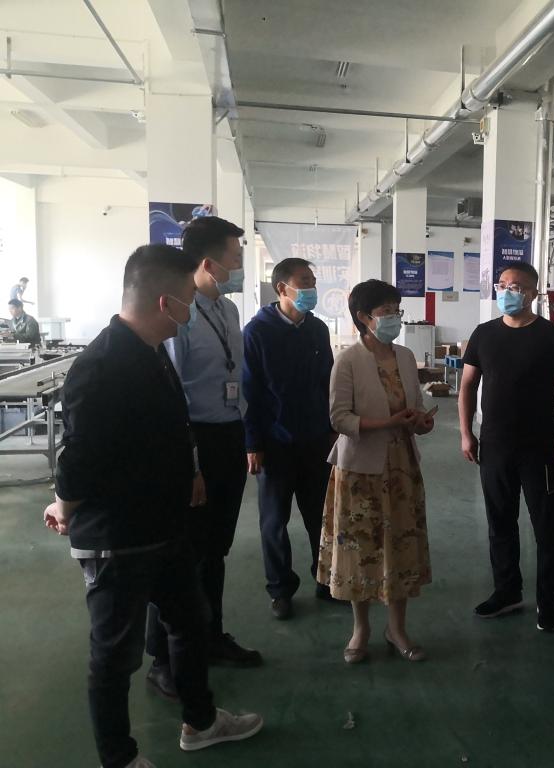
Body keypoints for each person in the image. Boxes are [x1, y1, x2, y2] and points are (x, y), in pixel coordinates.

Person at [43, 244, 262, 768]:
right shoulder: (100, 366)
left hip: (165, 526)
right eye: (189, 297)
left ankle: (200, 722)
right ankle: (119, 758)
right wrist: (65, 505)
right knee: (114, 655)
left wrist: (190, 473)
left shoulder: (150, 351)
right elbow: (79, 458)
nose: (194, 307)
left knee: (189, 622)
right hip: (118, 537)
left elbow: (172, 427)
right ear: (166, 302)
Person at [145, 217, 261, 701]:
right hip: (195, 441)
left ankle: (209, 636)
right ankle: (163, 660)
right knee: (182, 555)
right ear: (210, 264)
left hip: (229, 435)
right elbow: (171, 394)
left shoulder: (228, 310)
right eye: (236, 257)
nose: (240, 265)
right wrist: (191, 464)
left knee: (215, 550)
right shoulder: (181, 314)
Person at [317, 279, 435, 663]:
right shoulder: (348, 361)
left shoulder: (405, 357)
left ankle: (396, 628)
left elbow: (416, 408)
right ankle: (361, 629)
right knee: (360, 548)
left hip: (402, 467)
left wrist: (421, 422)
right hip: (360, 469)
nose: (394, 318)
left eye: (396, 310)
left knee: (400, 546)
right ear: (363, 317)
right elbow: (339, 418)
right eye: (386, 312)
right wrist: (387, 424)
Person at [460, 263, 554, 631]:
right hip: (494, 445)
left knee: (547, 527)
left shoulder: (552, 336)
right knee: (500, 522)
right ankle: (507, 591)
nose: (507, 292)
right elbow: (467, 386)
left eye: (517, 286)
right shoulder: (484, 334)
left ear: (533, 293)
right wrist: (466, 433)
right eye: (503, 284)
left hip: (539, 448)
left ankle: (548, 601)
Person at [243, 257, 336, 620]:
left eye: (313, 281)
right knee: (274, 521)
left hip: (315, 440)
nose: (311, 288)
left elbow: (328, 383)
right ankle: (280, 589)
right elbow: (250, 392)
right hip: (274, 443)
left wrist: (332, 429)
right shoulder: (257, 332)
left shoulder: (317, 330)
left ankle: (325, 579)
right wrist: (253, 443)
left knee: (321, 517)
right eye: (304, 281)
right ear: (282, 288)